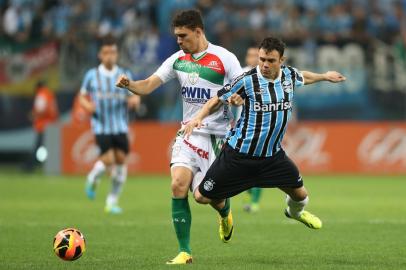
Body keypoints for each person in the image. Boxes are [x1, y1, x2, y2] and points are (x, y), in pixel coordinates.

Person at [115, 9, 243, 265]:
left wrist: (237, 97)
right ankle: (185, 251)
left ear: (198, 31)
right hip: (188, 133)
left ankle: (225, 212)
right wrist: (130, 84)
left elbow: (242, 87)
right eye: (176, 36)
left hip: (217, 136)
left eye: (183, 36)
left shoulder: (224, 58)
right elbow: (149, 84)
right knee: (177, 186)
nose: (179, 41)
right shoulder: (177, 60)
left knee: (205, 197)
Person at [183, 37, 346, 233]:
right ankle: (225, 213)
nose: (264, 65)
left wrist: (325, 76)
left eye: (270, 60)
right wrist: (198, 117)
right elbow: (216, 100)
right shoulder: (247, 80)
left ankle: (293, 213)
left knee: (302, 197)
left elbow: (303, 76)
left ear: (281, 60)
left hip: (272, 157)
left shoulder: (288, 76)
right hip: (239, 155)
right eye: (262, 59)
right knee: (201, 197)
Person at [79, 38, 141, 214]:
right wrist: (87, 105)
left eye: (113, 52)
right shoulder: (92, 75)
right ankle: (93, 177)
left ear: (117, 54)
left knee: (121, 162)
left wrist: (135, 101)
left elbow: (135, 94)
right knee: (108, 161)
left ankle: (111, 201)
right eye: (106, 52)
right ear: (100, 54)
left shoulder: (124, 73)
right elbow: (82, 96)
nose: (110, 56)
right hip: (101, 125)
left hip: (121, 126)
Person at [241, 44, 263, 213]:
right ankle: (249, 191)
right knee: (243, 167)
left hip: (262, 128)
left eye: (257, 55)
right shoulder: (240, 74)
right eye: (251, 55)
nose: (254, 58)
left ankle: (254, 202)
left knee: (258, 166)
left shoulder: (270, 76)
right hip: (242, 127)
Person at [25, 80, 59, 171]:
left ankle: (29, 166)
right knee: (49, 148)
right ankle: (52, 167)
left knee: (38, 147)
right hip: (52, 124)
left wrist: (33, 114)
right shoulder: (50, 94)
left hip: (43, 125)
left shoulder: (41, 94)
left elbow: (41, 109)